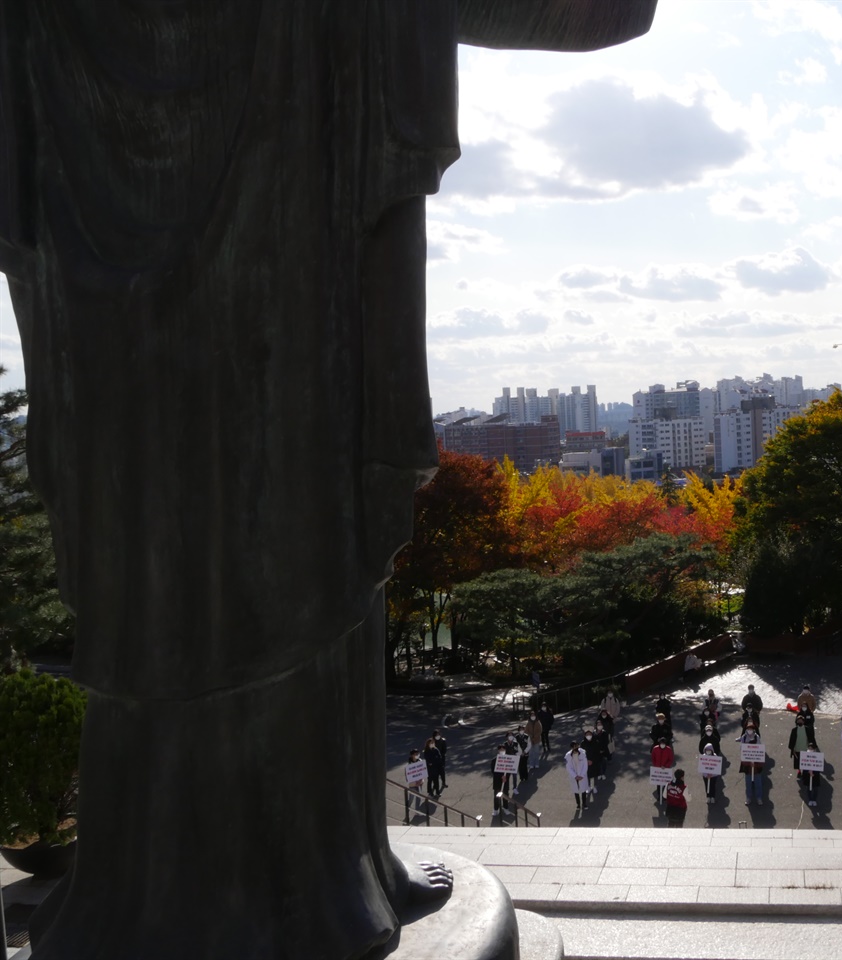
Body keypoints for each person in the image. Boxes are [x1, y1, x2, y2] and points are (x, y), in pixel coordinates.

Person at [0, 4, 658, 955]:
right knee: (289, 522)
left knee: (163, 548)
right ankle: (308, 880)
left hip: (116, 255)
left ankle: (258, 869)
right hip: (287, 238)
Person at [788, 714, 820, 807]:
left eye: (801, 720)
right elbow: (791, 740)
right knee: (798, 763)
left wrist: (814, 747)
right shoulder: (794, 730)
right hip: (797, 749)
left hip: (805, 750)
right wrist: (792, 748)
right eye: (798, 720)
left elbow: (811, 738)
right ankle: (799, 771)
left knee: (806, 763)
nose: (800, 721)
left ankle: (804, 773)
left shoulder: (807, 729)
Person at [737, 722, 765, 805]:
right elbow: (741, 748)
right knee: (748, 782)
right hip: (746, 764)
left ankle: (759, 798)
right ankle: (748, 798)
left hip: (756, 763)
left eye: (751, 729)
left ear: (754, 730)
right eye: (748, 729)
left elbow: (759, 748)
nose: (750, 730)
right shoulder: (744, 737)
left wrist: (755, 760)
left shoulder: (757, 737)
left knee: (758, 782)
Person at [491, 741, 517, 818]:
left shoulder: (508, 759)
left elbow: (510, 769)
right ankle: (496, 809)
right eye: (500, 749)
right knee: (496, 796)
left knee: (505, 795)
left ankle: (505, 808)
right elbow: (493, 771)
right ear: (498, 750)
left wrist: (506, 776)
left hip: (505, 781)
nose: (502, 751)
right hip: (497, 781)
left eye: (503, 749)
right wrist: (501, 776)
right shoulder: (494, 760)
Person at [565, 741, 590, 816]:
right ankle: (578, 804)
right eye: (574, 747)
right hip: (574, 776)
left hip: (582, 776)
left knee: (583, 790)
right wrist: (575, 776)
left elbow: (585, 765)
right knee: (576, 791)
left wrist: (582, 775)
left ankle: (584, 804)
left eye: (577, 746)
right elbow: (568, 767)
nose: (576, 748)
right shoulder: (568, 756)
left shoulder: (582, 754)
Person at [650, 736, 674, 803]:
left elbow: (671, 759)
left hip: (665, 770)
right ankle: (659, 796)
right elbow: (653, 758)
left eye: (664, 743)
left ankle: (664, 796)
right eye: (661, 743)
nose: (662, 744)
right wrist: (656, 765)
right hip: (657, 769)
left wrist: (665, 766)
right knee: (658, 784)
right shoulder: (655, 749)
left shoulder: (669, 750)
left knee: (665, 784)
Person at [404, 748, 425, 822]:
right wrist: (413, 780)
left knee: (419, 797)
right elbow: (408, 775)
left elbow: (422, 771)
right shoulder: (409, 764)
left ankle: (417, 811)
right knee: (411, 798)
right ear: (412, 755)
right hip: (413, 784)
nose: (417, 755)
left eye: (418, 754)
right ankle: (407, 809)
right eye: (415, 754)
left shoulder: (420, 761)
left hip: (419, 783)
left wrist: (421, 780)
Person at [583, 727, 605, 795]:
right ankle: (589, 786)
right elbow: (581, 754)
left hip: (594, 762)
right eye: (587, 735)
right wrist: (586, 760)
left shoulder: (596, 742)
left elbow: (598, 753)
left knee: (594, 775)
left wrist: (592, 760)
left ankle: (594, 786)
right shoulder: (583, 743)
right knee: (588, 775)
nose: (588, 736)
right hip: (586, 762)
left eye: (590, 734)